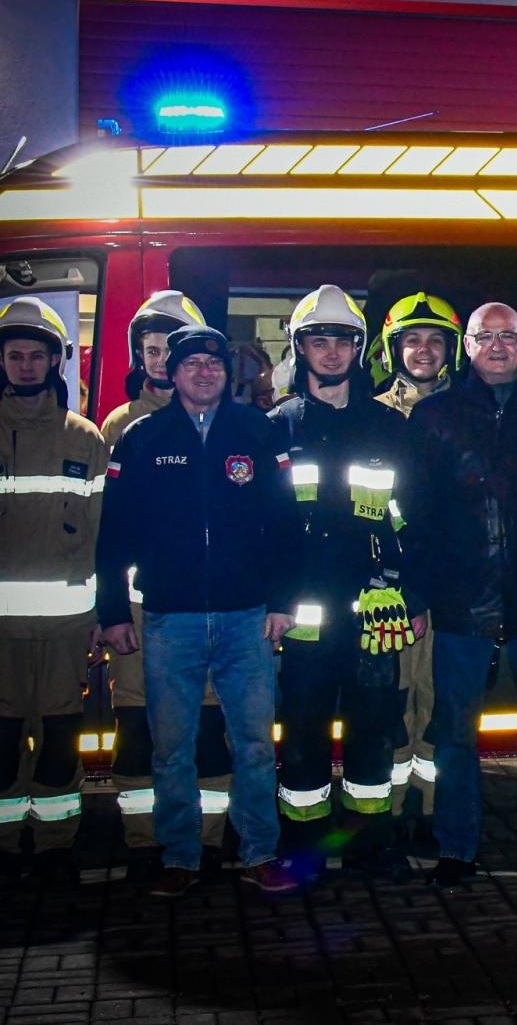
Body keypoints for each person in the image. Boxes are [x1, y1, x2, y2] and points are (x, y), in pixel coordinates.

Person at [95, 324, 299, 896]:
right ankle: (181, 855)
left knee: (256, 745)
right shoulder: (141, 439)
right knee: (172, 746)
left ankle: (260, 851)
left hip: (246, 617)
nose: (204, 371)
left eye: (213, 363)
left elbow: (286, 526)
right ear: (172, 372)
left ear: (226, 372)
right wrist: (112, 612)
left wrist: (283, 601)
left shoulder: (259, 433)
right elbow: (113, 535)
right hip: (170, 619)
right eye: (191, 363)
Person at [407, 302, 517, 886]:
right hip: (462, 603)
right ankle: (458, 846)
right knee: (455, 733)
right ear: (468, 345)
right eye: (486, 335)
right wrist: (419, 594)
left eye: (510, 335)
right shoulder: (434, 417)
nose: (499, 345)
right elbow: (417, 512)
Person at [268, 285, 420, 880]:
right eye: (319, 340)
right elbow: (266, 525)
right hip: (303, 609)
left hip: (373, 606)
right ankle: (302, 840)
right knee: (301, 729)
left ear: (359, 349)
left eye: (342, 341)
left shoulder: (389, 425)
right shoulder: (275, 427)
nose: (331, 352)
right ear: (300, 348)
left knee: (373, 728)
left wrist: (406, 590)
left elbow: (411, 515)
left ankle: (367, 842)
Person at [97, 291, 234, 875]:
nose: (158, 361)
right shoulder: (121, 428)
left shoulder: (225, 422)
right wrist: (112, 613)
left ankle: (206, 835)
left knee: (205, 726)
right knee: (139, 725)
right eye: (150, 350)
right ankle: (142, 836)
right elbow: (110, 530)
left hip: (203, 611)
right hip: (142, 611)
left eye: (167, 350)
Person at [0, 297, 107, 885]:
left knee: (63, 734)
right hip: (0, 627)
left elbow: (98, 533)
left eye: (36, 356)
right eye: (14, 355)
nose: (24, 366)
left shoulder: (85, 439)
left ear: (56, 363)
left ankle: (56, 841)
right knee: (3, 734)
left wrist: (97, 615)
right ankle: (6, 839)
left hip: (68, 624)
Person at [372, 291, 464, 850]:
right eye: (412, 340)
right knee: (389, 701)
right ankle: (383, 803)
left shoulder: (466, 413)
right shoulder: (372, 415)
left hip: (448, 587)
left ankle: (428, 810)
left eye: (435, 340)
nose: (423, 350)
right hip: (385, 589)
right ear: (393, 348)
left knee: (436, 702)